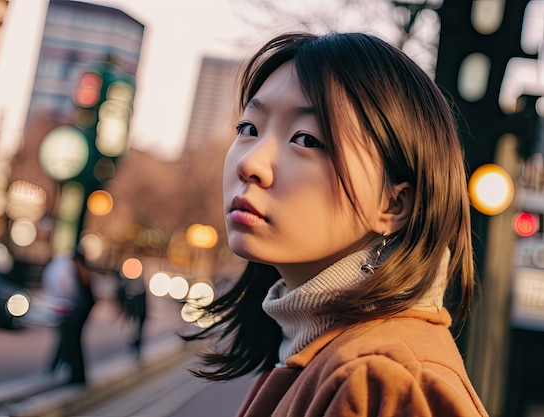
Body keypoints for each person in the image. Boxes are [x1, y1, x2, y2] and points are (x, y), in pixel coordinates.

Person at [183, 31, 489, 416]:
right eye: (249, 128)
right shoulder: (322, 350)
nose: (251, 164)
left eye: (307, 140)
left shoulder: (382, 378)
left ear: (393, 203)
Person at [47, 248, 96, 385]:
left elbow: (77, 295)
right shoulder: (84, 273)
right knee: (72, 343)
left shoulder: (80, 273)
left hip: (78, 314)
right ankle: (74, 374)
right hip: (79, 313)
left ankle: (76, 376)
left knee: (73, 343)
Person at [115, 270, 148, 359]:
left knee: (137, 331)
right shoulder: (130, 284)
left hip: (140, 312)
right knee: (135, 330)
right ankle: (136, 348)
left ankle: (137, 348)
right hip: (137, 312)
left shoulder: (135, 285)